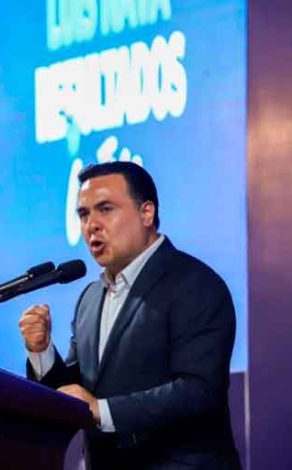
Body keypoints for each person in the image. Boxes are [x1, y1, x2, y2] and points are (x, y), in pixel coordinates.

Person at [19, 161, 241, 469]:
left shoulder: (195, 283)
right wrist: (42, 352)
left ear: (146, 213)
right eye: (83, 214)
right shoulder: (90, 298)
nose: (91, 225)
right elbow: (76, 392)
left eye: (105, 209)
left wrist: (102, 411)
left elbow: (199, 390)